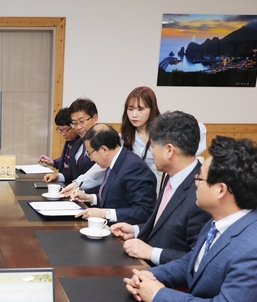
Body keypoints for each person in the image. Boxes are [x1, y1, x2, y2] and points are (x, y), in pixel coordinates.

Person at [124, 136, 257, 302]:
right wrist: (147, 275)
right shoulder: (218, 220)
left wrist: (158, 293)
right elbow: (192, 263)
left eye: (200, 177)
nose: (195, 182)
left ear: (220, 190)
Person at [111, 111, 211, 266]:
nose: (152, 152)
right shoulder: (172, 176)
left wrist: (151, 252)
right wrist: (136, 230)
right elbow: (166, 226)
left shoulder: (201, 192)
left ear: (169, 150)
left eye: (152, 147)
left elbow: (198, 260)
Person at [72, 123, 156, 224]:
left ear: (104, 150)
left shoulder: (134, 167)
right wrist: (89, 198)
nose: (91, 159)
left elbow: (144, 212)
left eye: (90, 153)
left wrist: (105, 214)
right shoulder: (116, 162)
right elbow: (117, 199)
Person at [120, 86, 208, 175]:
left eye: (140, 109)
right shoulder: (125, 137)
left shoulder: (166, 129)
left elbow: (200, 128)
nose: (134, 115)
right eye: (130, 109)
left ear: (153, 108)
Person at [40, 105, 95, 184]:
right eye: (60, 130)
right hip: (67, 182)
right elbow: (68, 163)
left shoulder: (83, 142)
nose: (63, 134)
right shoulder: (71, 140)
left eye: (65, 130)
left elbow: (76, 169)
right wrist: (53, 163)